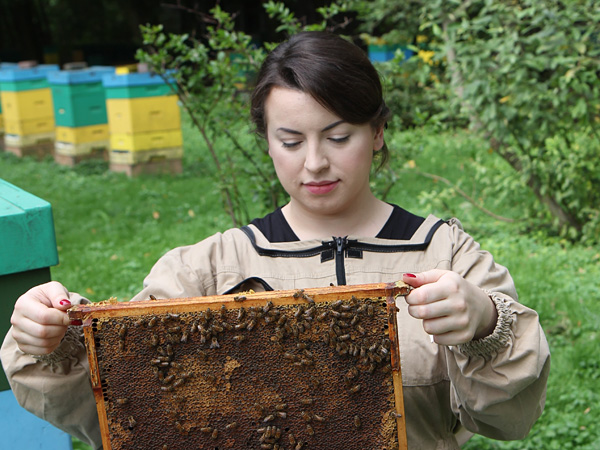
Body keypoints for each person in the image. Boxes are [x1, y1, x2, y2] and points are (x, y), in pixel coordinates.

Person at [1, 31, 549, 449]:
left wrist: (483, 323)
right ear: (265, 140)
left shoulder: (446, 254)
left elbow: (510, 420)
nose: (315, 162)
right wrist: (50, 340)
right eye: (290, 140)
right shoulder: (209, 269)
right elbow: (114, 411)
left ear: (378, 131)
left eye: (339, 136)